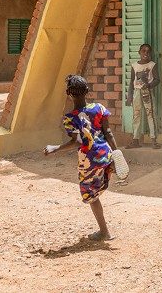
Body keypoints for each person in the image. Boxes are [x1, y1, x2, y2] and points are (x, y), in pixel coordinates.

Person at [44, 74, 119, 240]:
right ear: (87, 90)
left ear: (68, 93)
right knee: (99, 181)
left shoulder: (70, 118)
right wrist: (117, 154)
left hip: (89, 160)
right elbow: (108, 132)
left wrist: (55, 148)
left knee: (91, 195)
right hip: (105, 153)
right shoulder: (99, 108)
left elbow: (77, 141)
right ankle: (109, 168)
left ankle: (104, 232)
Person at [128, 43, 160, 149]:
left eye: (148, 51)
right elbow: (132, 81)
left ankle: (154, 140)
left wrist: (149, 85)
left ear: (150, 53)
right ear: (139, 52)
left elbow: (157, 80)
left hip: (147, 91)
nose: (146, 53)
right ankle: (135, 140)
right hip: (137, 92)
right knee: (136, 115)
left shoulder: (152, 65)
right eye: (143, 51)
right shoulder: (134, 65)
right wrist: (129, 96)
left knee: (150, 114)